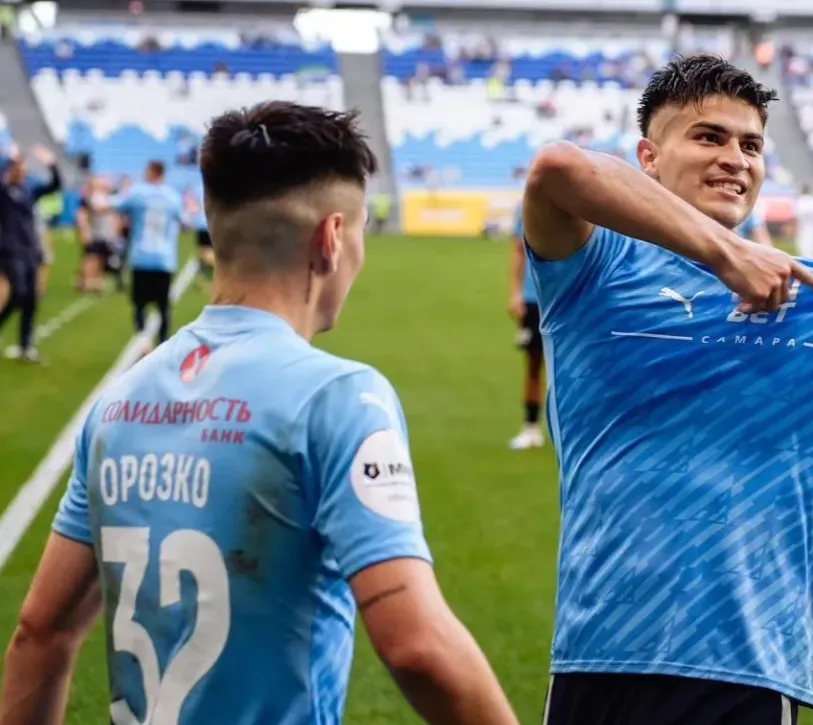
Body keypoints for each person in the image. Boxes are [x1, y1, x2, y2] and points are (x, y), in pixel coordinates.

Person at [0, 102, 521, 724]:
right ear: (330, 239)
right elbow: (417, 648)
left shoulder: (120, 400)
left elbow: (40, 632)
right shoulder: (340, 398)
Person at [524, 54, 813, 725]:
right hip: (602, 649)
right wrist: (723, 253)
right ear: (649, 155)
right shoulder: (596, 266)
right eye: (709, 137)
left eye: (751, 144)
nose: (736, 158)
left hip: (751, 663)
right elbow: (557, 169)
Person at [101, 160, 187, 350]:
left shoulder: (138, 193)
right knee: (164, 307)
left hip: (141, 257)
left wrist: (98, 199)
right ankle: (162, 343)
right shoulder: (173, 197)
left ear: (152, 172)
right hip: (164, 260)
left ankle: (143, 341)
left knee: (140, 304)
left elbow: (112, 205)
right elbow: (185, 222)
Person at [0, 143, 61, 363]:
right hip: (9, 251)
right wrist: (12, 157)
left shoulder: (29, 191)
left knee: (30, 299)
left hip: (29, 251)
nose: (22, 171)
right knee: (18, 294)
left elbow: (55, 186)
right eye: (18, 168)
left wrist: (52, 164)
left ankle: (26, 347)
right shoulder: (4, 191)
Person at [507, 200, 545, 449]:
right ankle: (531, 427)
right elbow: (519, 250)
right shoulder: (527, 205)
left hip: (568, 297)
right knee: (533, 366)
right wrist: (515, 292)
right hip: (534, 297)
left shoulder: (582, 201)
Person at [794, 184, 813, 259]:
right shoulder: (810, 200)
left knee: (810, 243)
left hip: (810, 225)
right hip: (805, 226)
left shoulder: (809, 200)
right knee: (805, 243)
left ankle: (809, 258)